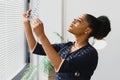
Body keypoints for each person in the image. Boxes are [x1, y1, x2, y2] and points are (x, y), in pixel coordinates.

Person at [22, 10, 111, 80]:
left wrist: (41, 35)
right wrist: (26, 23)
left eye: (78, 21)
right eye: (75, 19)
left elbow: (60, 66)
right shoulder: (67, 46)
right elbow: (35, 48)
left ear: (87, 30)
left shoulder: (90, 53)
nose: (73, 21)